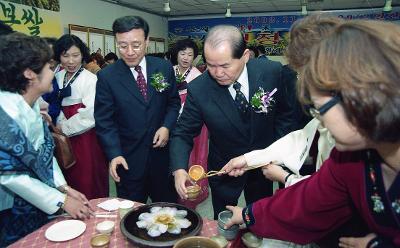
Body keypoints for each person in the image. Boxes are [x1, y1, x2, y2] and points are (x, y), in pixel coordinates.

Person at [223, 19, 400, 247]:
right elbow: (308, 201)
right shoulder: (349, 159)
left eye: (318, 109)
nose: (320, 121)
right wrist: (250, 214)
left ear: (360, 100)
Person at [170, 25, 297, 218]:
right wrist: (179, 169)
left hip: (263, 166)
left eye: (225, 66)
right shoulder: (199, 88)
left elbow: (286, 115)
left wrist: (274, 154)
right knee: (223, 221)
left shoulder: (271, 72)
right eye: (210, 65)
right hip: (224, 169)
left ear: (245, 56)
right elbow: (183, 131)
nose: (217, 73)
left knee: (259, 218)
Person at [0, 33, 92, 247]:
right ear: (30, 74)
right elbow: (10, 175)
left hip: (33, 199)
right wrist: (61, 201)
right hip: (10, 206)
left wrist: (63, 188)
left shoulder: (30, 104)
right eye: (49, 67)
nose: (54, 72)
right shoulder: (5, 117)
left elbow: (44, 155)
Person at [94, 16, 180, 203]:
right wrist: (114, 153)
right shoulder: (107, 77)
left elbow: (173, 103)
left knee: (169, 212)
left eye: (136, 45)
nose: (130, 52)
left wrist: (166, 126)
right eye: (123, 46)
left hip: (162, 159)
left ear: (147, 41)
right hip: (128, 162)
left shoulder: (163, 67)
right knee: (131, 218)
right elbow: (104, 121)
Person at [54, 34, 108, 200]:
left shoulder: (90, 79)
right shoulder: (56, 77)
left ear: (83, 55)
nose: (71, 61)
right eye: (65, 56)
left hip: (85, 138)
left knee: (87, 178)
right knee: (66, 177)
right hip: (61, 136)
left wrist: (64, 127)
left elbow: (91, 114)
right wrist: (58, 122)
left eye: (75, 55)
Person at [171, 38, 208, 208]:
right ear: (176, 54)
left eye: (190, 54)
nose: (185, 57)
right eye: (182, 53)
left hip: (193, 120)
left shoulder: (197, 76)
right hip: (172, 117)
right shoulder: (169, 71)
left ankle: (191, 190)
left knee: (193, 154)